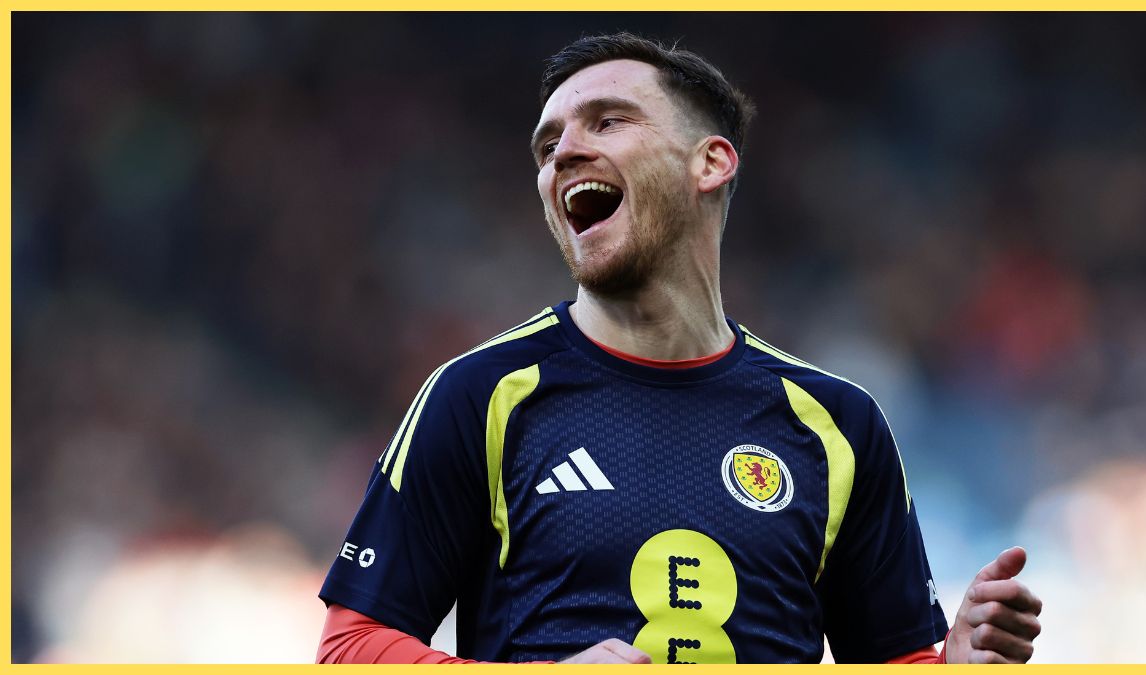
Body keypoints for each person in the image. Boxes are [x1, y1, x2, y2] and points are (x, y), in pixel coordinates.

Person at [316, 32, 1042, 664]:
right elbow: (350, 648)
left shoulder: (837, 423)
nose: (565, 151)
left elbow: (896, 658)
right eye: (547, 144)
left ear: (711, 163)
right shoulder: (480, 395)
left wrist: (954, 661)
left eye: (607, 121)